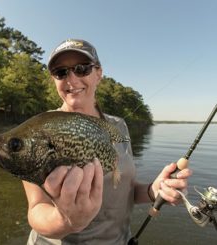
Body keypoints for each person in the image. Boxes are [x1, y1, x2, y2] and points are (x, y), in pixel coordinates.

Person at [23, 38, 192, 245]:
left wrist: (153, 190)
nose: (72, 78)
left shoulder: (118, 125)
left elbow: (123, 189)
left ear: (99, 73)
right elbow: (36, 209)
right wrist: (67, 221)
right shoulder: (40, 129)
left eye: (82, 68)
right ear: (54, 79)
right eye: (61, 72)